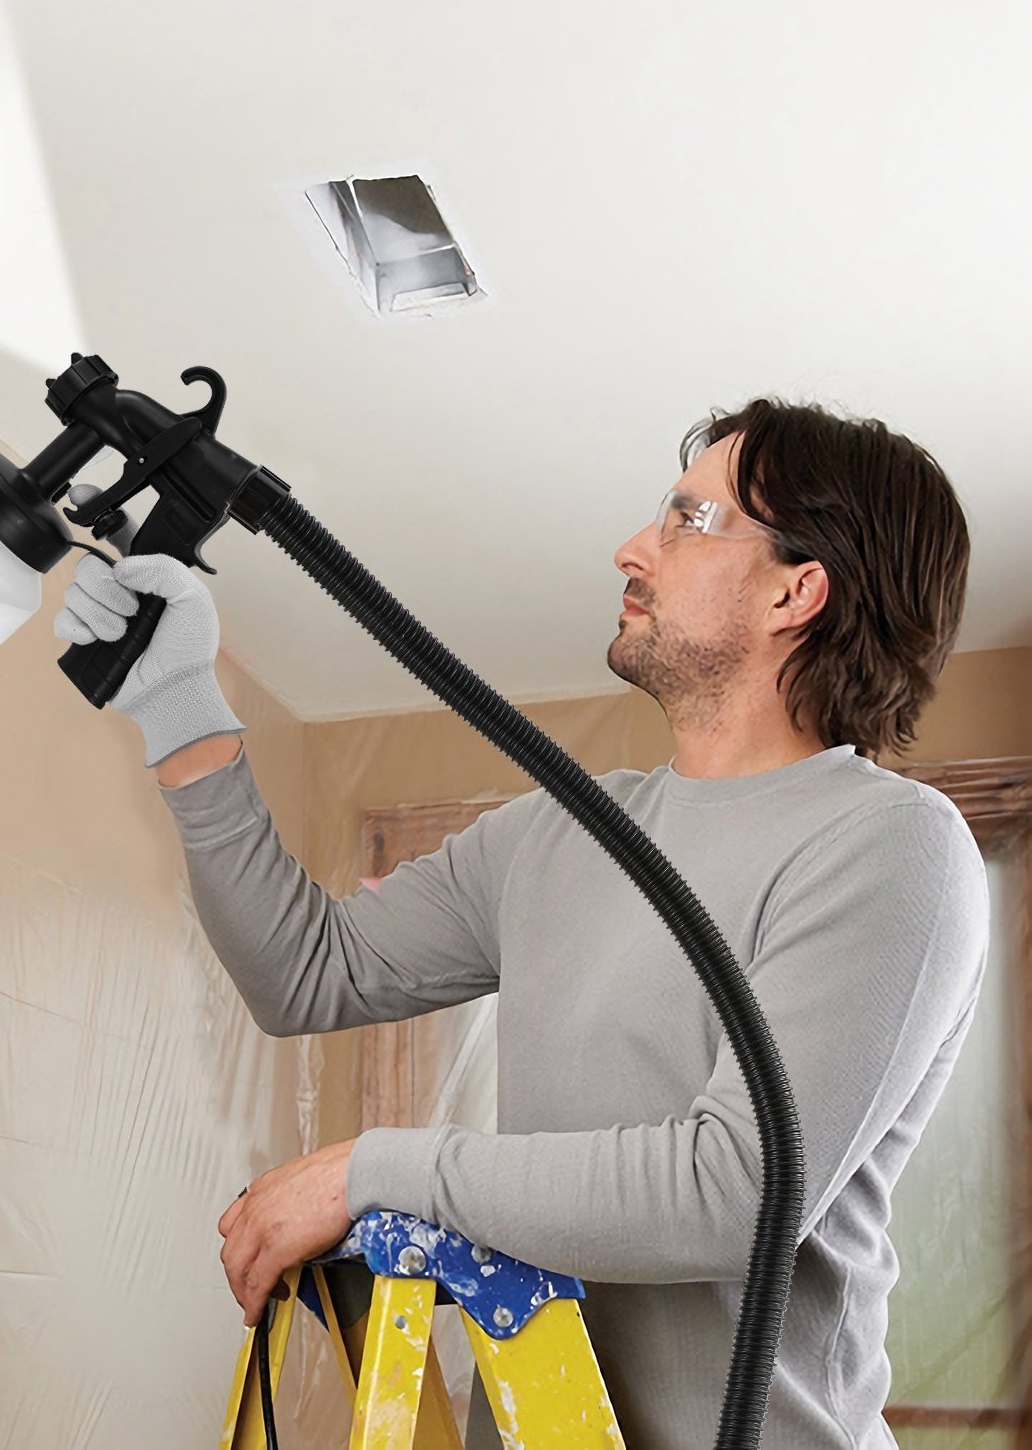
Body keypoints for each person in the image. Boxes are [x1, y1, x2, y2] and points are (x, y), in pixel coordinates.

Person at [53, 398, 989, 1448]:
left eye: (689, 520)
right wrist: (179, 707)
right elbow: (303, 971)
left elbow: (735, 1193)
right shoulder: (563, 832)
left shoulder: (890, 845)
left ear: (795, 591)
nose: (633, 548)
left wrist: (371, 1170)